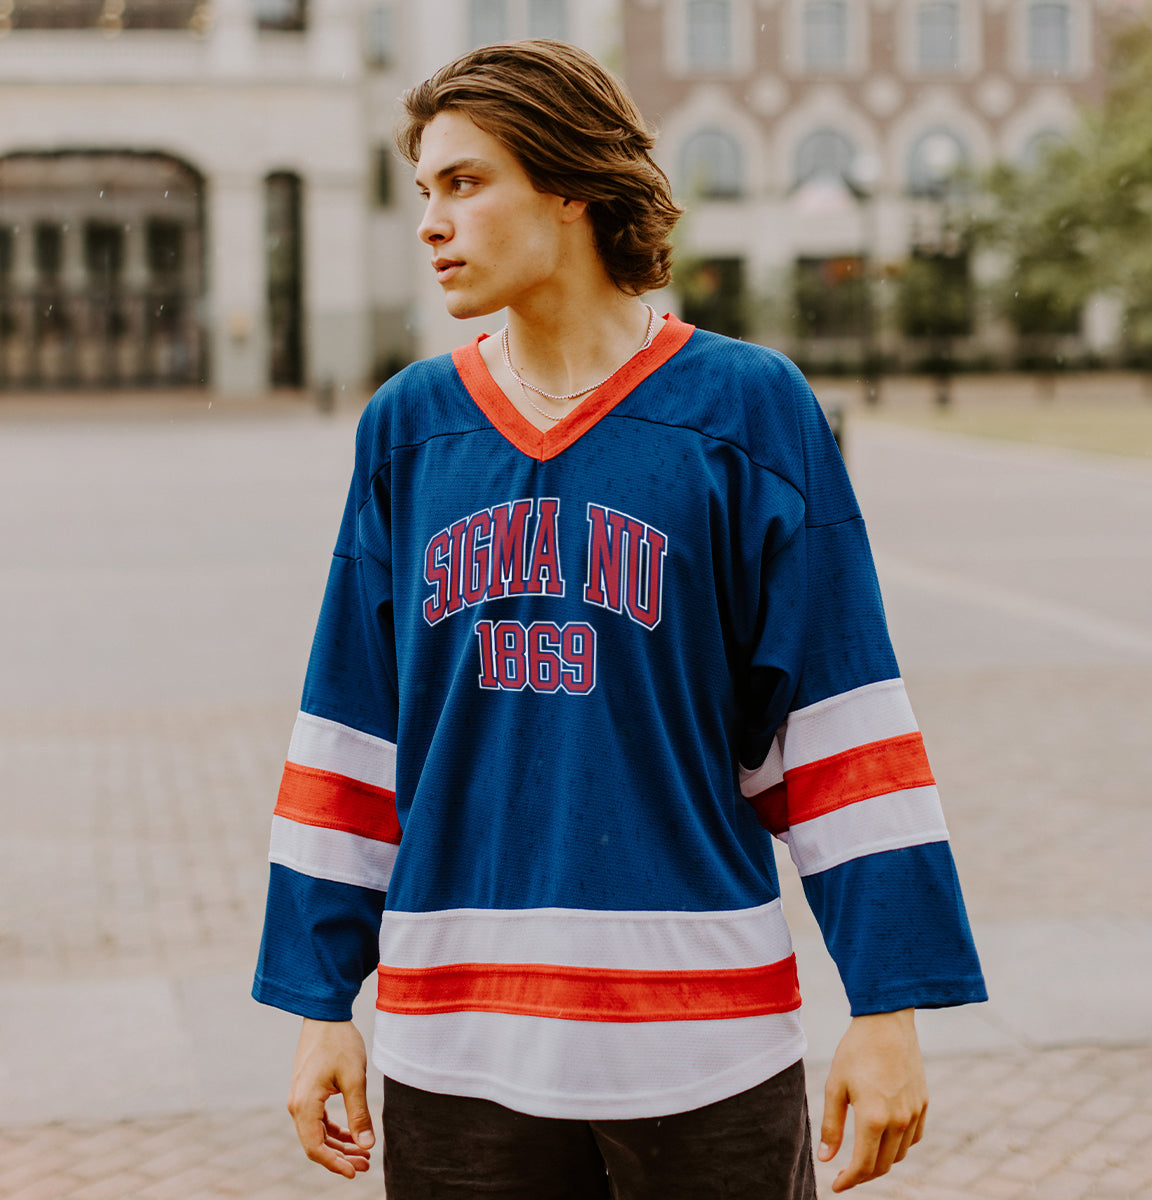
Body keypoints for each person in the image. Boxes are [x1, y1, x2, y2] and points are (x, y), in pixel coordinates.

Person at [252, 39, 986, 1199]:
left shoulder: (747, 412)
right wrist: (316, 1002)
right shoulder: (409, 429)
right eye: (424, 191)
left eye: (466, 183)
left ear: (572, 186)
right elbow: (353, 728)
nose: (433, 222)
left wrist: (885, 1008)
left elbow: (838, 724)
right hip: (454, 1043)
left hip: (702, 1040)